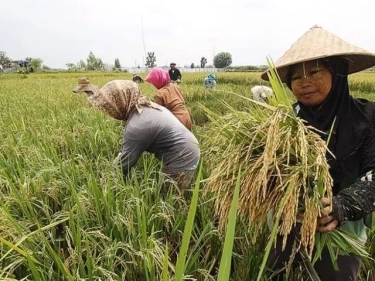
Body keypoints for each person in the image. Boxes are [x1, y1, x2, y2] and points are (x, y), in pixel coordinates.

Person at [260, 25, 375, 281]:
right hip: (286, 224)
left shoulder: (368, 118)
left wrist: (342, 205)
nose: (305, 82)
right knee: (277, 274)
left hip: (341, 231)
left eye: (315, 72)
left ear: (338, 73)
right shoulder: (285, 121)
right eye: (296, 77)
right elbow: (264, 172)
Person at [78, 79, 200, 192]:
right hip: (189, 148)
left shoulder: (137, 125)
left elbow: (124, 163)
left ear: (120, 103)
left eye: (110, 107)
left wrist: (105, 182)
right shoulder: (147, 105)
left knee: (168, 196)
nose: (110, 111)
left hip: (183, 158)